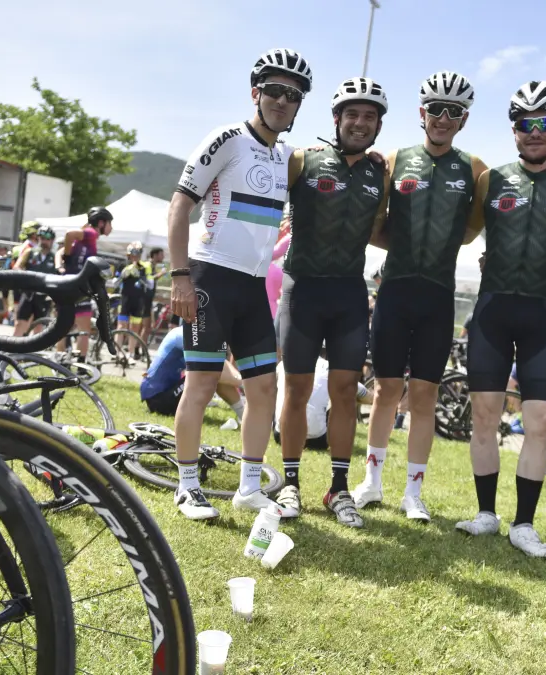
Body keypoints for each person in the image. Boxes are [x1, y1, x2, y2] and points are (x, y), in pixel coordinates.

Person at [167, 48, 311, 520]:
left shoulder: (287, 156)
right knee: (202, 385)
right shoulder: (227, 139)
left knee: (264, 387)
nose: (282, 100)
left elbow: (331, 164)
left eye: (293, 95)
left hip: (252, 287)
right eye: (274, 90)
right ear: (256, 93)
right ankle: (187, 486)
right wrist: (180, 276)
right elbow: (179, 206)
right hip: (210, 276)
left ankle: (250, 487)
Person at [450, 80, 546, 558]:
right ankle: (486, 513)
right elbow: (465, 232)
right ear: (514, 129)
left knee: (541, 421)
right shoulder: (491, 179)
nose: (535, 131)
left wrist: (543, 267)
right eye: (526, 123)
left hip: (541, 315)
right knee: (485, 416)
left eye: (545, 122)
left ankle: (523, 525)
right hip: (492, 312)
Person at [349, 71, 488, 524]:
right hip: (395, 291)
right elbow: (376, 225)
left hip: (438, 296)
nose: (442, 118)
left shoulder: (476, 169)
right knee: (386, 389)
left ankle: (413, 493)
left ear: (464, 119)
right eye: (435, 109)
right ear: (421, 113)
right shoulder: (394, 160)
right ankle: (371, 482)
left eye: (453, 111)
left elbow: (471, 229)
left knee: (425, 395)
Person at [277, 77, 390, 527]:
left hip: (348, 294)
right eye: (352, 114)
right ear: (337, 118)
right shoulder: (302, 159)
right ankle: (290, 483)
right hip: (302, 289)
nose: (360, 123)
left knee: (345, 392)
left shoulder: (380, 172)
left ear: (379, 124)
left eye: (369, 117)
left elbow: (382, 226)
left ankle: (338, 489)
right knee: (297, 390)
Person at [141, 325, 246, 418]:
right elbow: (215, 367)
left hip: (160, 395)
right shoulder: (187, 335)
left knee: (212, 370)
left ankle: (244, 415)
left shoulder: (188, 332)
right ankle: (245, 414)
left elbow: (220, 364)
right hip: (159, 399)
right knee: (210, 373)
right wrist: (248, 383)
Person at [56, 206, 112, 361]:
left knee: (64, 327)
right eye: (110, 223)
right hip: (78, 286)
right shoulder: (91, 233)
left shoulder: (87, 237)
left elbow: (60, 250)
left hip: (70, 285)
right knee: (84, 330)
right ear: (101, 223)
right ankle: (80, 363)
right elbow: (69, 234)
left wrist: (62, 263)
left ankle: (61, 359)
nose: (111, 227)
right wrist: (67, 256)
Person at [12, 227, 58, 337]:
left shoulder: (55, 257)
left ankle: (34, 347)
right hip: (28, 293)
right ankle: (14, 345)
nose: (44, 241)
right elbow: (17, 267)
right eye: (41, 238)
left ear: (52, 240)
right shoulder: (30, 252)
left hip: (44, 296)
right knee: (20, 323)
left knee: (39, 326)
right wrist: (26, 277)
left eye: (47, 239)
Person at [117, 241, 152, 351]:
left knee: (135, 328)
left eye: (138, 254)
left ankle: (131, 353)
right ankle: (117, 352)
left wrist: (141, 279)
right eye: (133, 254)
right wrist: (122, 275)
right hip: (125, 299)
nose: (135, 257)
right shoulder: (123, 265)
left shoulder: (144, 266)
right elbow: (114, 283)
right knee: (121, 326)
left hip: (138, 300)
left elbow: (150, 284)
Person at [140, 246, 168, 343]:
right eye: (161, 255)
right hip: (143, 301)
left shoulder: (152, 265)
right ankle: (137, 348)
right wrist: (161, 273)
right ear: (155, 255)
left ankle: (139, 348)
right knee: (145, 327)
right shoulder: (148, 265)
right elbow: (149, 280)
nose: (163, 257)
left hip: (147, 300)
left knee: (146, 327)